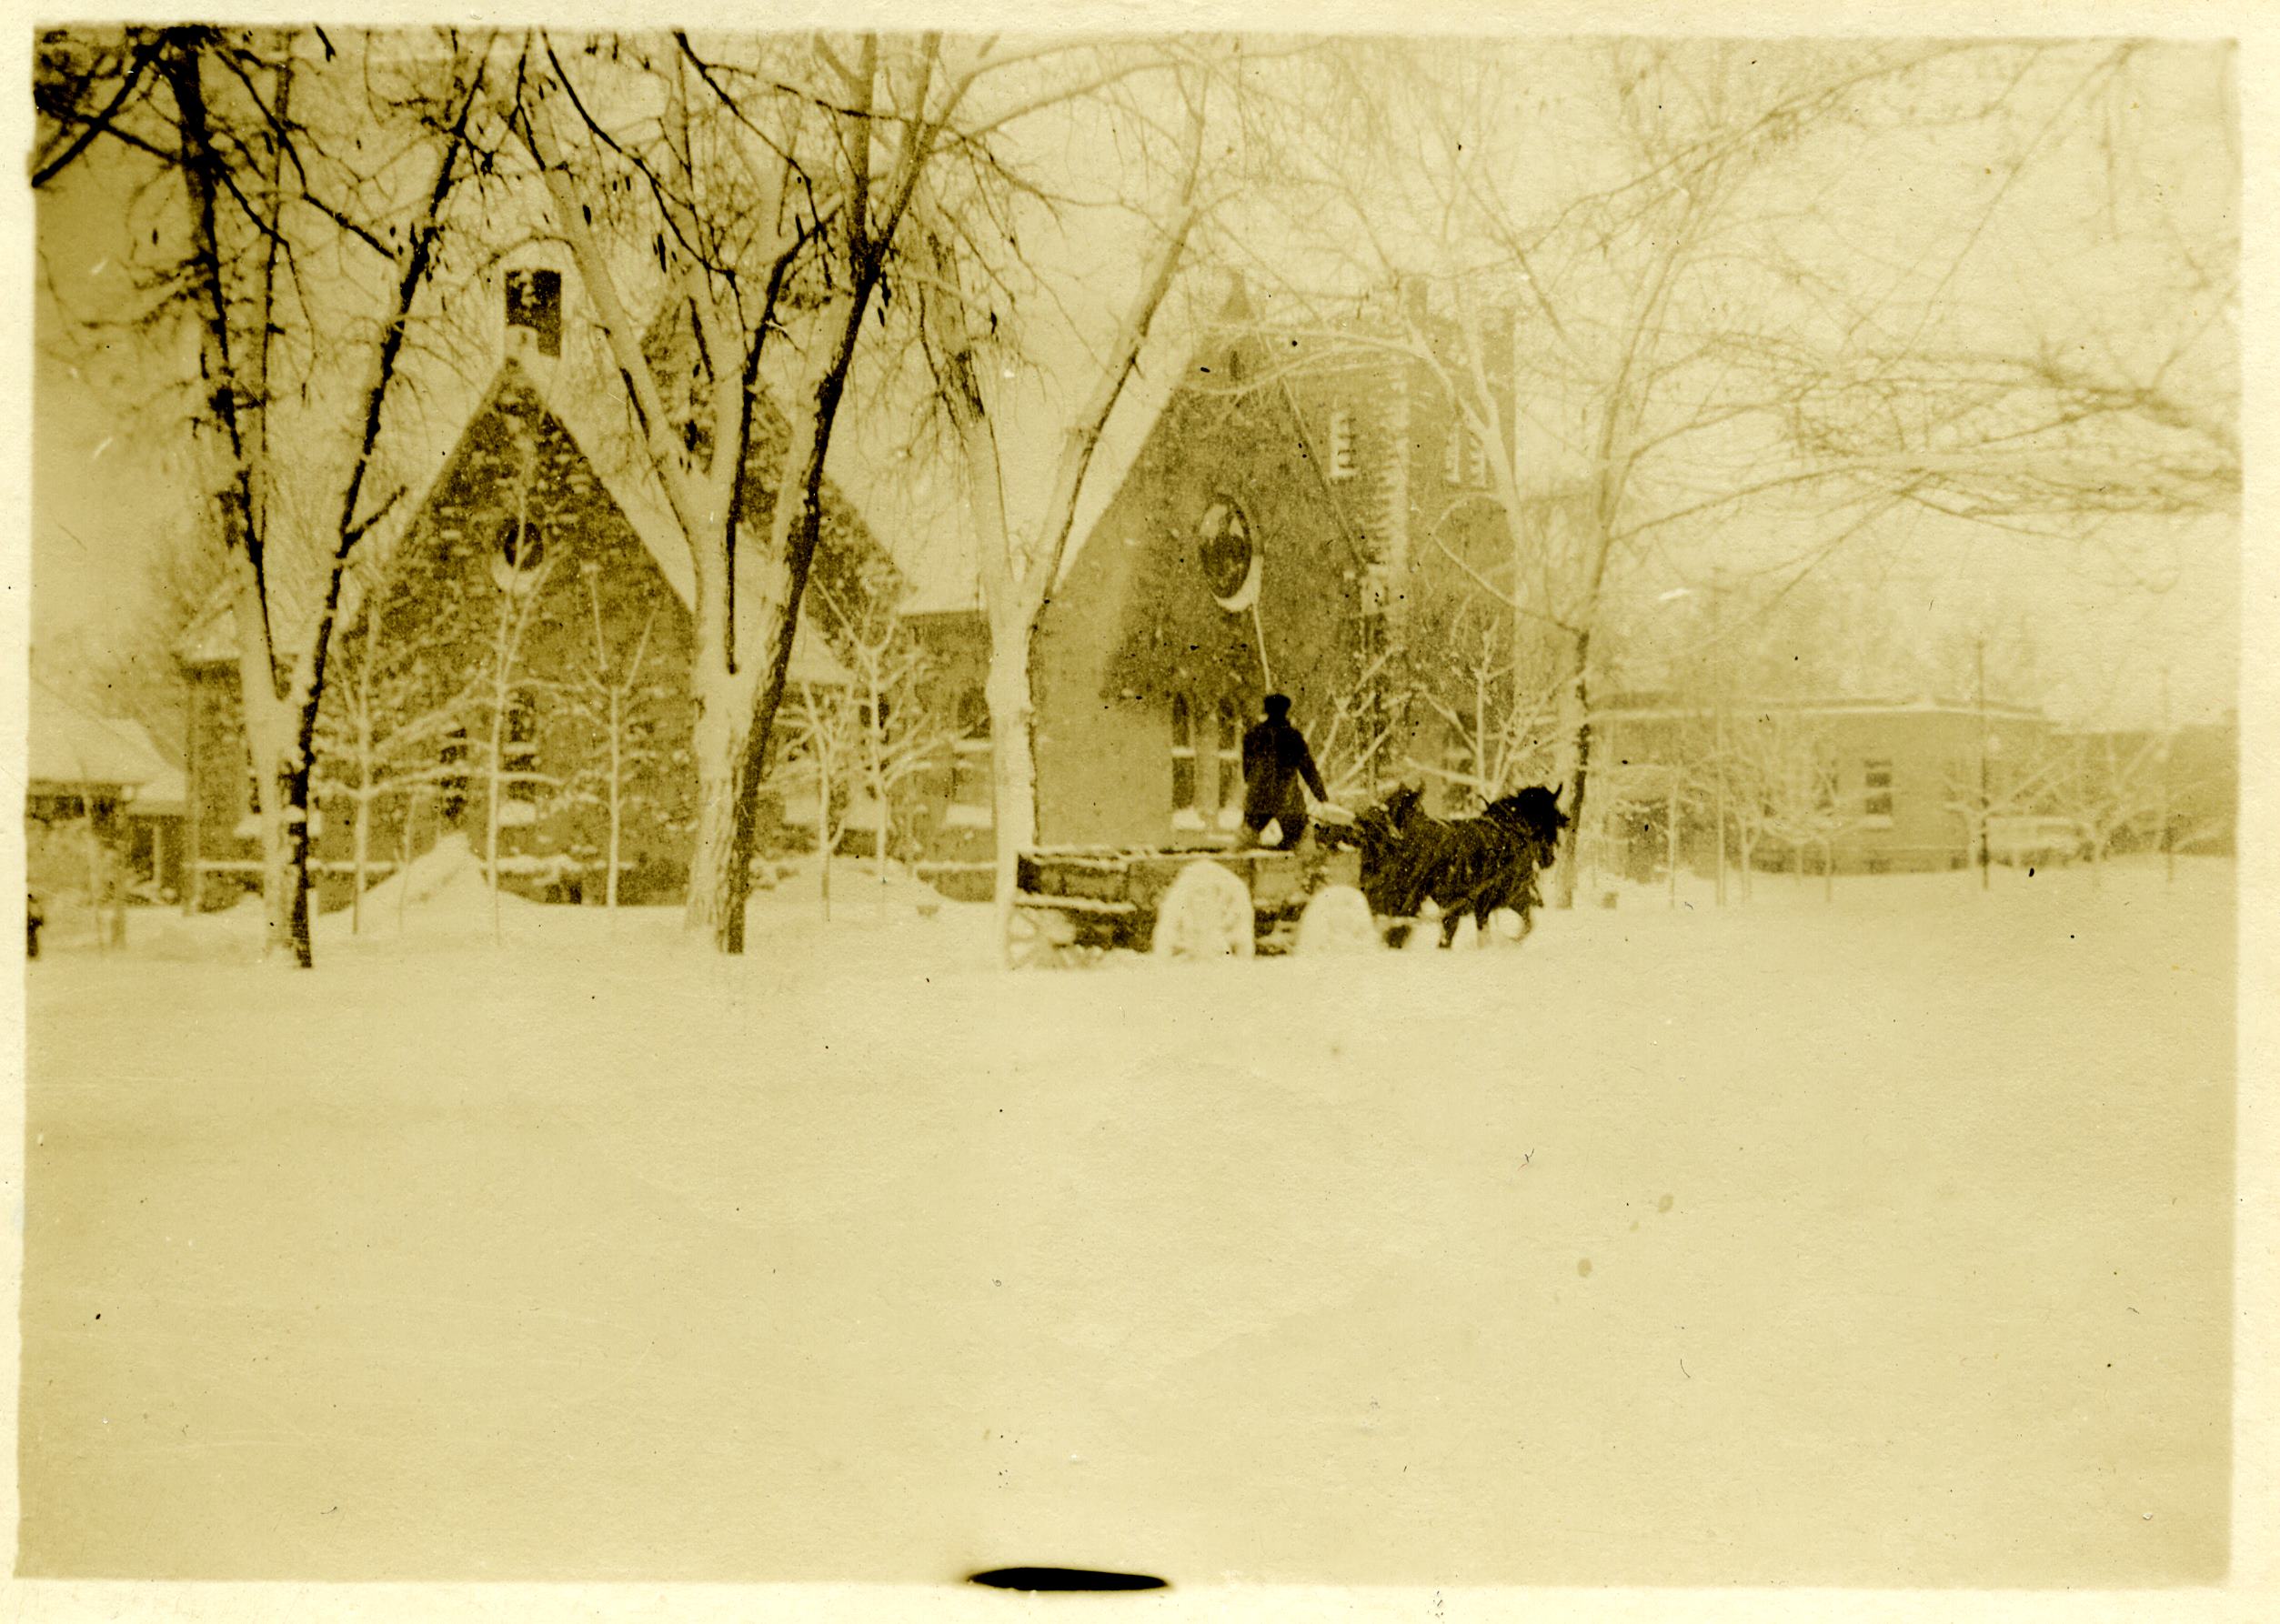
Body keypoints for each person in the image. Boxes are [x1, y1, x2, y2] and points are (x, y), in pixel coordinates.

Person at [1237, 693, 1328, 850]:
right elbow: (1308, 769)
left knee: (1245, 839)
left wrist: (1257, 784)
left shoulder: (1252, 736)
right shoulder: (1293, 737)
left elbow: (1247, 770)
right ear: (1286, 711)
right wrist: (1320, 794)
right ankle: (1307, 869)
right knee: (1302, 838)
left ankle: (1231, 870)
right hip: (1287, 800)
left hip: (1258, 799)